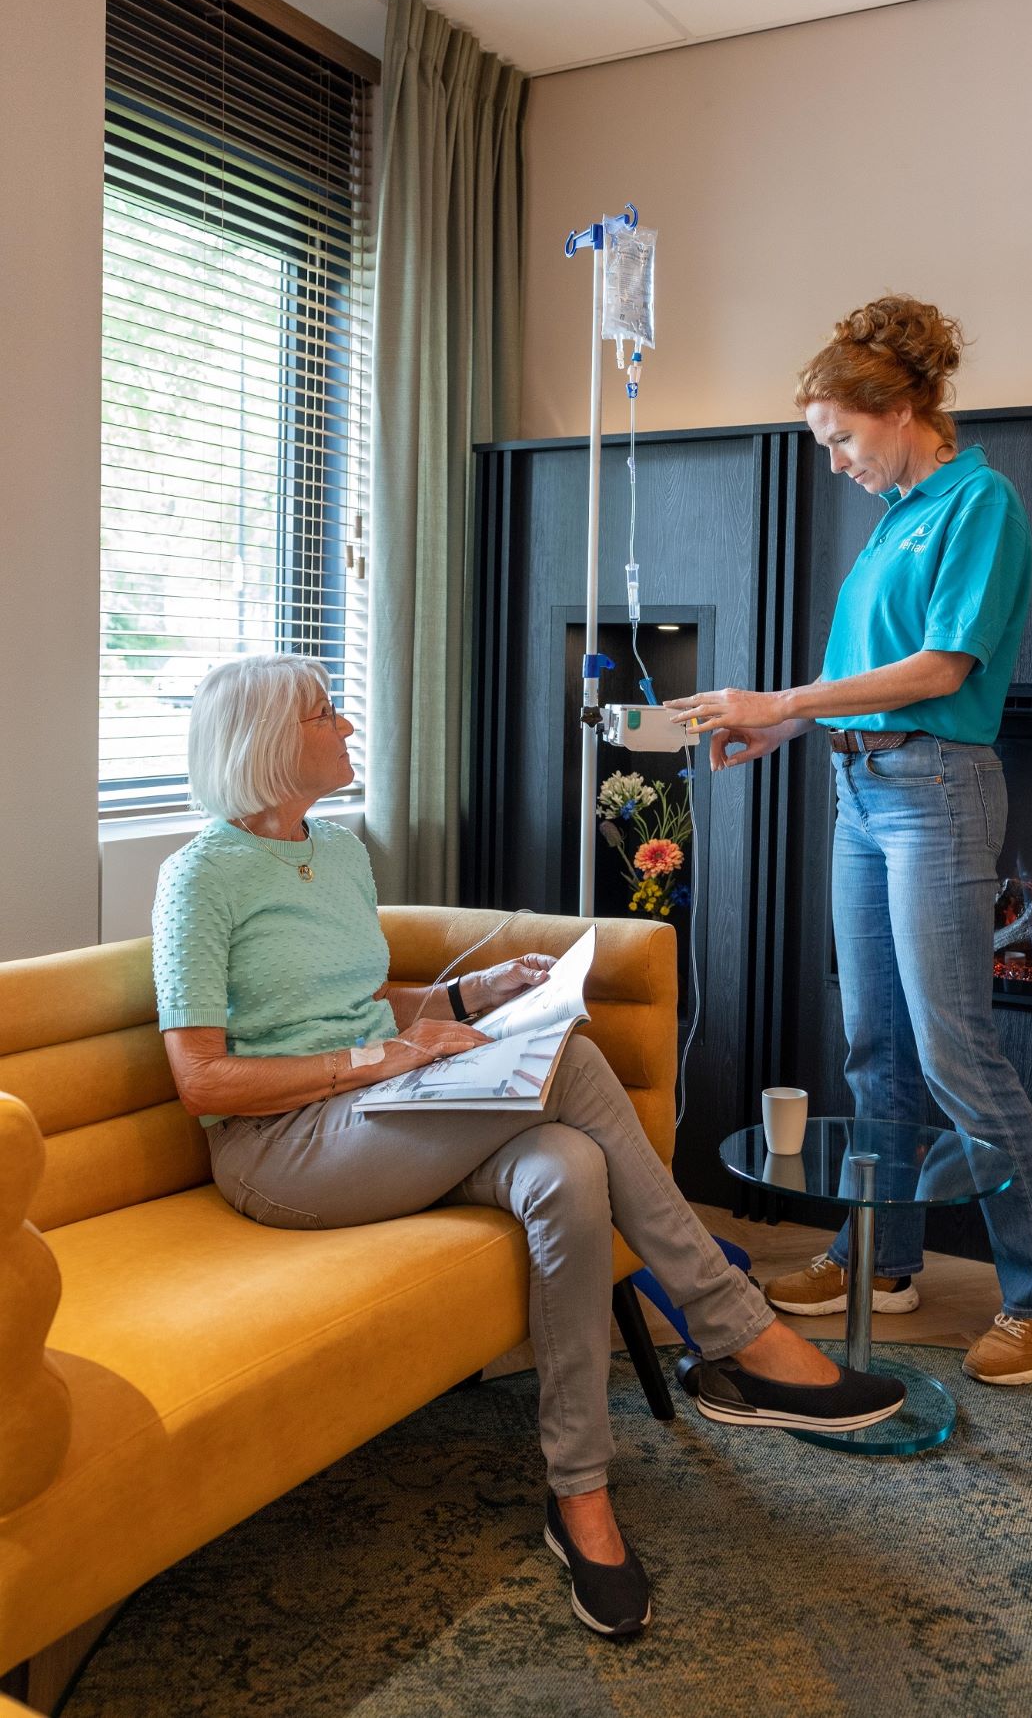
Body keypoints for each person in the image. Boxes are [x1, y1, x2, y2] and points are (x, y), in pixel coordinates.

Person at [152, 654, 904, 1641]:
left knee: (571, 1167)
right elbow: (204, 1079)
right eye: (325, 713)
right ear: (264, 741)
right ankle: (735, 1334)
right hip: (281, 1152)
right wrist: (384, 1056)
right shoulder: (198, 879)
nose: (346, 725)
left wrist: (477, 995)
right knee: (578, 1070)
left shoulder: (336, 853)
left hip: (382, 1115)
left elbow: (358, 1002)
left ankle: (581, 1496)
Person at [668, 296, 1032, 1388]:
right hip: (861, 790)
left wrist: (783, 696)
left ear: (901, 409)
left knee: (956, 1048)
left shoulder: (977, 504)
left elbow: (941, 670)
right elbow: (874, 676)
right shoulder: (897, 512)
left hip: (937, 791)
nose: (835, 463)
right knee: (874, 1044)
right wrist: (788, 726)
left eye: (842, 439)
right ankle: (884, 1258)